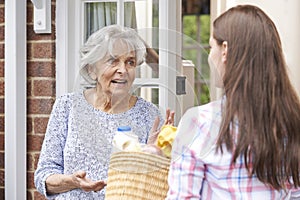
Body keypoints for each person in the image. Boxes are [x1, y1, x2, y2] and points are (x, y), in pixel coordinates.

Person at [166, 5, 300, 199]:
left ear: (225, 50)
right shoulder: (292, 122)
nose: (209, 57)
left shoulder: (199, 123)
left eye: (211, 47)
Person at [34, 24, 174, 199]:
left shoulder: (149, 114)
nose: (123, 70)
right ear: (92, 70)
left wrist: (156, 156)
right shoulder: (67, 106)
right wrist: (72, 181)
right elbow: (43, 176)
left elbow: (163, 184)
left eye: (130, 62)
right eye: (113, 60)